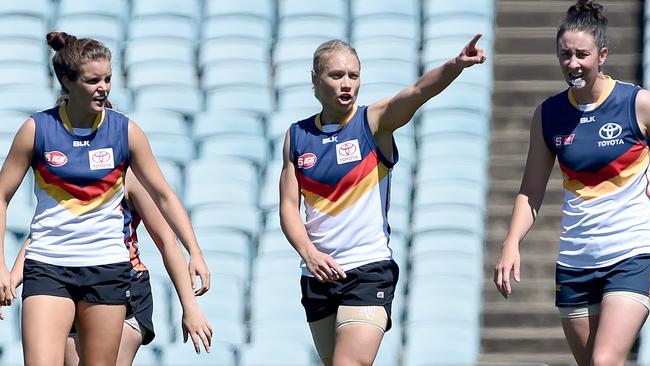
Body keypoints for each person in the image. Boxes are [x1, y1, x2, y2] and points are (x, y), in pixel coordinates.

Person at [0, 31, 210, 365]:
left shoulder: (125, 132)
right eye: (93, 80)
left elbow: (165, 197)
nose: (104, 88)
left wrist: (195, 252)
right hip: (49, 266)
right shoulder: (36, 130)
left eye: (108, 79)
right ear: (67, 82)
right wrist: (4, 270)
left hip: (107, 269)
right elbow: (3, 197)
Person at [279, 36, 486, 365]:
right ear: (315, 79)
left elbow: (417, 92)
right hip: (317, 276)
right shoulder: (297, 135)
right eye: (336, 75)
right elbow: (289, 206)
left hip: (367, 270)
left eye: (354, 75)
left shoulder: (372, 122)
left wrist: (455, 65)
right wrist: (309, 253)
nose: (347, 84)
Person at [493, 1, 650, 364]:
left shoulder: (636, 103)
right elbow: (530, 191)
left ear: (603, 55)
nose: (573, 64)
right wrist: (511, 243)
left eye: (582, 54)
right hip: (576, 262)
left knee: (604, 361)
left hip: (632, 254)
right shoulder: (549, 115)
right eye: (566, 54)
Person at [4, 168, 213, 366]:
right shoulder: (68, 172)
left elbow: (168, 242)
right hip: (68, 285)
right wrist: (10, 282)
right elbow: (44, 236)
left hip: (125, 289)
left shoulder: (130, 175)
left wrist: (190, 307)